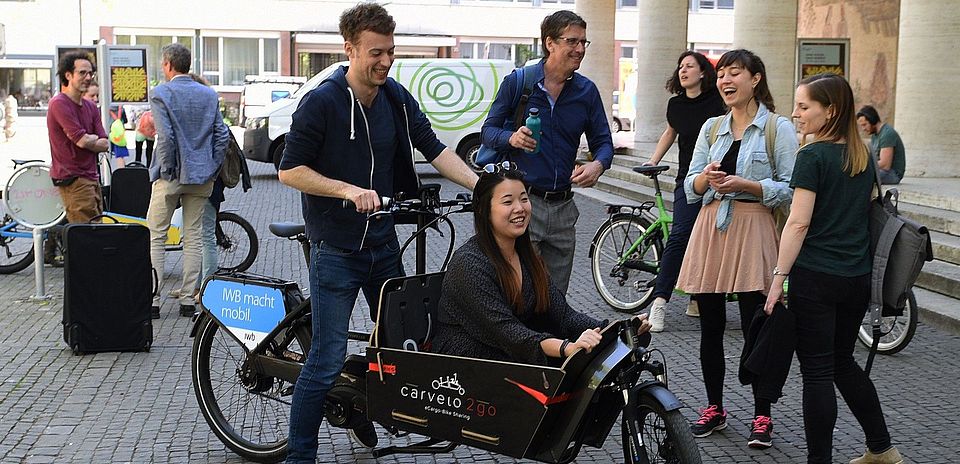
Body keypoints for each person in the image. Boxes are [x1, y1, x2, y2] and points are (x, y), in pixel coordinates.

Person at [276, 4, 478, 461]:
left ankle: (360, 402)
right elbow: (290, 171)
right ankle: (299, 455)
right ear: (349, 49)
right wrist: (347, 190)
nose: (386, 61)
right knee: (326, 358)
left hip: (384, 244)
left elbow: (434, 148)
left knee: (402, 343)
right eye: (376, 53)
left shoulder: (395, 98)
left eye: (391, 51)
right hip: (337, 248)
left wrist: (481, 185)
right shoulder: (323, 101)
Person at [765, 74, 903, 464]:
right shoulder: (861, 157)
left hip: (815, 278)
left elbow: (798, 222)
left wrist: (778, 278)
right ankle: (882, 448)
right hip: (856, 278)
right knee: (842, 362)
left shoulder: (812, 157)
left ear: (832, 111)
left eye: (804, 106)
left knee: (818, 372)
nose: (795, 113)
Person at [675, 49, 797, 449]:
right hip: (711, 227)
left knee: (754, 325)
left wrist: (748, 186)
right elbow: (690, 185)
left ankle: (762, 415)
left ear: (755, 79)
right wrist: (705, 179)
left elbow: (790, 189)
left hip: (754, 228)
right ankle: (714, 407)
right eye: (722, 74)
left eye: (735, 73)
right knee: (709, 327)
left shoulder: (778, 128)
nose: (726, 81)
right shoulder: (712, 128)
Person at [434, 164, 653, 365]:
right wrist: (567, 347)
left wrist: (615, 330)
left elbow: (564, 315)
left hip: (515, 349)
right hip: (469, 364)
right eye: (508, 202)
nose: (520, 208)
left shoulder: (526, 256)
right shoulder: (469, 264)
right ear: (483, 210)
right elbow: (508, 332)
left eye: (524, 199)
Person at [480, 10, 614, 295]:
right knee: (518, 292)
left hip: (564, 208)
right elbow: (488, 132)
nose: (580, 49)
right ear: (550, 43)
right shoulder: (519, 83)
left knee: (555, 299)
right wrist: (511, 138)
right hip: (524, 203)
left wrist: (598, 165)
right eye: (572, 41)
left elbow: (604, 142)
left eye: (583, 43)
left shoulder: (586, 92)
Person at [643, 51, 726, 331]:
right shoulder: (676, 105)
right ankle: (659, 302)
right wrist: (653, 160)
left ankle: (697, 296)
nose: (683, 70)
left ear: (703, 72)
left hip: (717, 178)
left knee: (711, 238)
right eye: (680, 66)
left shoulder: (718, 102)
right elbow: (670, 133)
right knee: (680, 235)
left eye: (689, 66)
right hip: (688, 180)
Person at [146, 43, 229, 320]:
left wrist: (168, 169)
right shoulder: (208, 94)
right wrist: (213, 166)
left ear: (168, 64)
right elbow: (222, 135)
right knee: (193, 237)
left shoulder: (161, 93)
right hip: (202, 176)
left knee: (156, 234)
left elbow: (166, 137)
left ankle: (154, 299)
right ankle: (186, 300)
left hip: (171, 176)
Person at [46, 52, 109, 224]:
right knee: (88, 237)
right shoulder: (59, 103)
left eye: (90, 73)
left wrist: (90, 139)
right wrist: (88, 139)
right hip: (73, 179)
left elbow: (105, 144)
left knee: (95, 231)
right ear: (68, 75)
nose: (88, 77)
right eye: (82, 73)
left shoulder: (90, 106)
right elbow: (81, 141)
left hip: (92, 178)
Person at [855, 105, 904, 185]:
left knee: (860, 176)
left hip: (893, 174)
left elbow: (885, 165)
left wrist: (863, 166)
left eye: (864, 125)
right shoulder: (875, 134)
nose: (863, 129)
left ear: (873, 120)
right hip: (881, 171)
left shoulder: (887, 134)